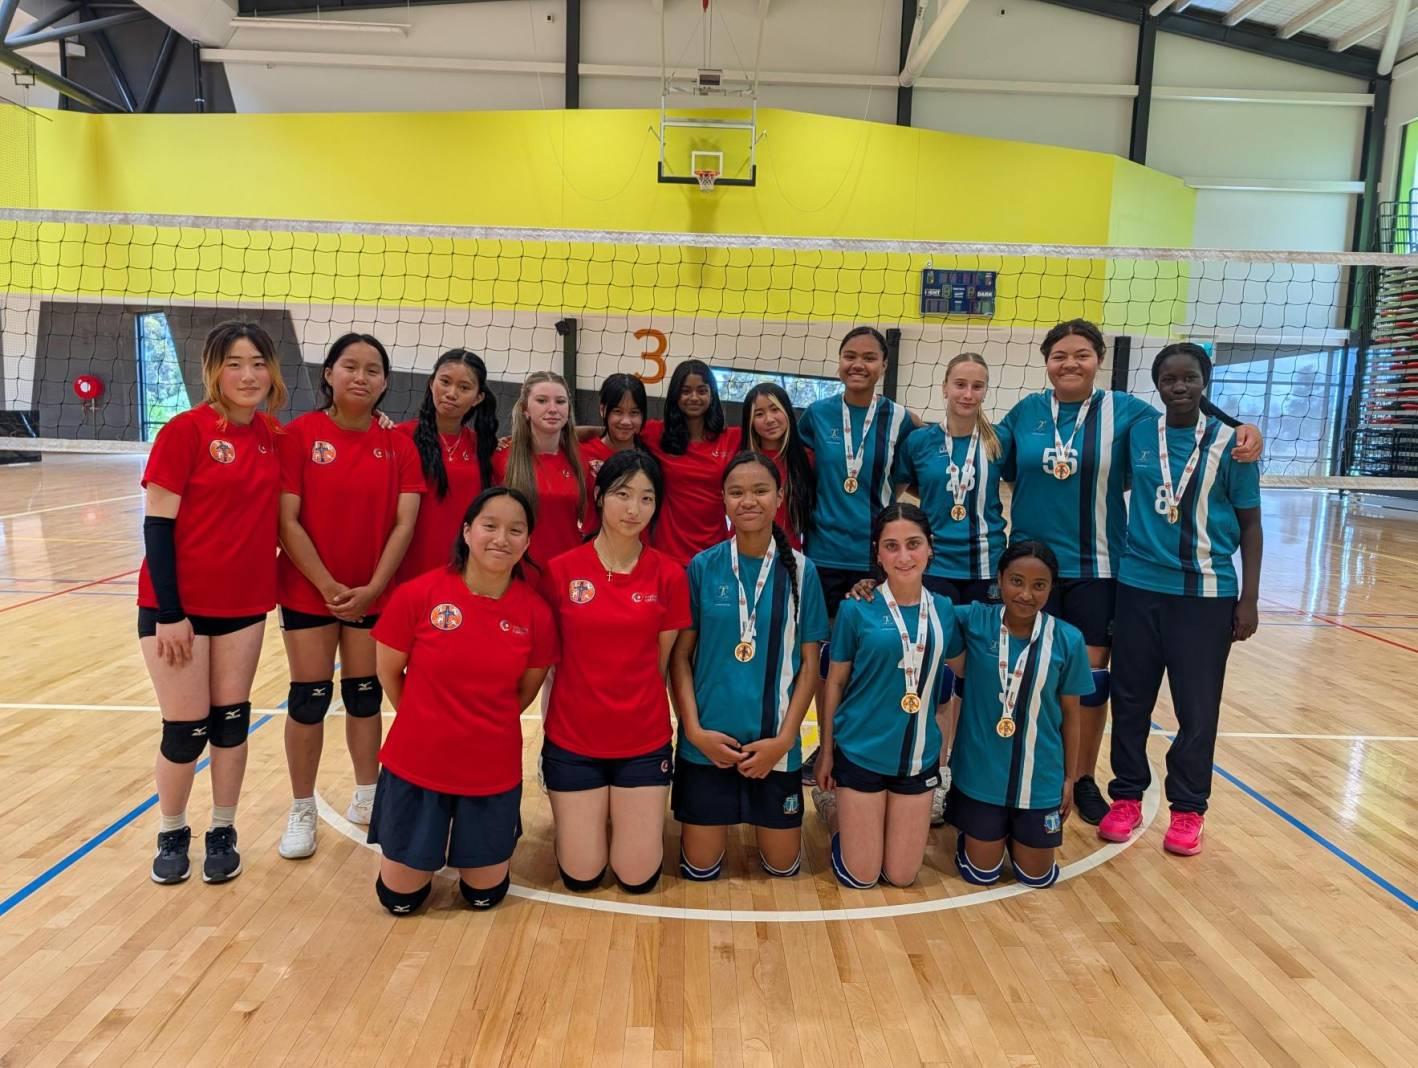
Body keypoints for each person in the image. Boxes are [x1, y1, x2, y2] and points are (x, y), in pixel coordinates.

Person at [998, 319, 1261, 825]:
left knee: (1090, 682)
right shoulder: (1026, 411)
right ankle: (1026, 769)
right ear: (1046, 362)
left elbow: (1186, 413)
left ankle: (1082, 778)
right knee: (1024, 675)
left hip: (1100, 567)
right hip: (1030, 570)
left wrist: (1244, 427)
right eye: (1059, 355)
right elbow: (989, 451)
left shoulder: (1127, 412)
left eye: (1081, 354)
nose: (1070, 363)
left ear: (1098, 359)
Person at [1100, 343, 1263, 856]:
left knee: (1197, 708)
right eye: (1169, 379)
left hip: (1206, 594)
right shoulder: (1138, 433)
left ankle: (1189, 808)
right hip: (1138, 588)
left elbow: (1251, 525)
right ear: (1157, 384)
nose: (1179, 386)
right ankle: (1126, 796)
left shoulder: (1232, 445)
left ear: (1204, 381)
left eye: (1189, 377)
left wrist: (1250, 599)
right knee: (1130, 701)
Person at [139, 321, 286, 885]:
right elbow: (157, 527)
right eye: (234, 364)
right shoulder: (186, 430)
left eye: (258, 363)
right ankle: (172, 830)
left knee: (230, 723)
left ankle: (223, 829)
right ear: (213, 371)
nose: (248, 375)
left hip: (244, 604)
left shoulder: (272, 434)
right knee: (185, 730)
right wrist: (171, 613)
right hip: (177, 609)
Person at [369, 488, 557, 914]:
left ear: (527, 542)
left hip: (489, 769)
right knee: (399, 900)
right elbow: (388, 672)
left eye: (515, 530)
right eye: (490, 526)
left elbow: (525, 692)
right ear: (468, 531)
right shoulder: (418, 595)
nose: (501, 539)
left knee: (483, 896)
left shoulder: (535, 613)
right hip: (419, 763)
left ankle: (468, 846)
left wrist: (481, 724)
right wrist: (424, 720)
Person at [275, 332, 424, 860]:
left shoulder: (398, 444)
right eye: (350, 366)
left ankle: (368, 794)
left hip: (371, 593)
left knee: (364, 695)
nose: (361, 377)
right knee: (309, 698)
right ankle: (301, 808)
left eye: (372, 369)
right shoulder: (299, 435)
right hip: (307, 590)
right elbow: (286, 520)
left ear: (385, 382)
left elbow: (405, 523)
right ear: (329, 374)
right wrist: (327, 585)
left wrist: (375, 588)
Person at [669, 452, 829, 881]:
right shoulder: (703, 567)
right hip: (707, 744)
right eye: (736, 492)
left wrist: (785, 740)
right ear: (723, 499)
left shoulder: (803, 571)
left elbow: (810, 666)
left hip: (773, 744)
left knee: (782, 867)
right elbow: (680, 657)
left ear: (780, 496)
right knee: (700, 868)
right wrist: (694, 732)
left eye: (760, 490)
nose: (748, 500)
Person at [537, 450, 690, 893]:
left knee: (636, 877)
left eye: (646, 498)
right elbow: (549, 665)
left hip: (642, 742)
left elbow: (660, 665)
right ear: (600, 496)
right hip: (573, 741)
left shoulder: (669, 576)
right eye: (623, 494)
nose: (633, 509)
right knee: (581, 876)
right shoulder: (561, 571)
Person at [814, 503, 963, 889]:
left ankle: (868, 821)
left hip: (918, 758)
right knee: (861, 876)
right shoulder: (856, 608)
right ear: (877, 554)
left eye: (913, 544)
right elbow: (834, 683)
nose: (903, 556)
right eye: (891, 546)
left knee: (901, 876)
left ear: (930, 547)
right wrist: (827, 752)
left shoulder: (945, 610)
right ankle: (834, 811)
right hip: (860, 751)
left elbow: (963, 672)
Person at [892, 351, 1009, 824]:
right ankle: (934, 774)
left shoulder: (1001, 441)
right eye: (960, 384)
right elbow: (905, 488)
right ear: (944, 387)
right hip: (937, 571)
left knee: (980, 676)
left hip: (986, 571)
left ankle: (970, 776)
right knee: (936, 677)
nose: (967, 393)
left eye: (977, 386)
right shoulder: (921, 442)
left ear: (985, 391)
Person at [947, 541, 1094, 889]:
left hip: (1039, 780)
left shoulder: (1068, 639)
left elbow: (1072, 714)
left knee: (1037, 878)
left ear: (1051, 588)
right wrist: (868, 587)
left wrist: (1069, 778)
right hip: (981, 778)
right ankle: (979, 832)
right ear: (999, 579)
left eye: (1039, 585)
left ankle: (1014, 834)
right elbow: (919, 605)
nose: (1026, 594)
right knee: (981, 874)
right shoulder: (975, 619)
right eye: (1016, 581)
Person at [796, 327, 916, 617]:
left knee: (868, 634)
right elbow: (797, 471)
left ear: (884, 366)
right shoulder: (816, 414)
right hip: (822, 551)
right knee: (821, 634)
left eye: (869, 358)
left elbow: (909, 472)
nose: (858, 365)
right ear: (840, 362)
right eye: (850, 356)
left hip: (874, 552)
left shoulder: (900, 418)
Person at [395, 348, 497, 584]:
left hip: (464, 566)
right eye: (445, 382)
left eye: (464, 387)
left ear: (478, 397)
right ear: (432, 383)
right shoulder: (400, 437)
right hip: (407, 565)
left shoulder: (485, 447)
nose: (452, 393)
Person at [640, 359, 742, 565]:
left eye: (702, 391)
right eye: (686, 391)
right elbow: (614, 432)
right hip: (668, 550)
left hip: (714, 550)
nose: (694, 397)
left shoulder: (733, 438)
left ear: (712, 394)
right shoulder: (655, 434)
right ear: (675, 395)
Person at [493, 371, 590, 579]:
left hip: (567, 573)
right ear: (525, 409)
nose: (553, 409)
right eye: (542, 401)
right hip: (515, 573)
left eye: (560, 401)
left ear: (568, 409)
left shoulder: (582, 461)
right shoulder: (501, 458)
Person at [739, 382, 816, 549]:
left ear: (787, 411)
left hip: (788, 553)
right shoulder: (740, 459)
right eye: (759, 414)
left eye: (775, 409)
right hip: (742, 551)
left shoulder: (806, 459)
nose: (769, 419)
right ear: (750, 421)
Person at [580, 373, 647, 478]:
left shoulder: (650, 455)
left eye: (634, 412)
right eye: (617, 411)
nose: (626, 421)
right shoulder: (581, 454)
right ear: (602, 410)